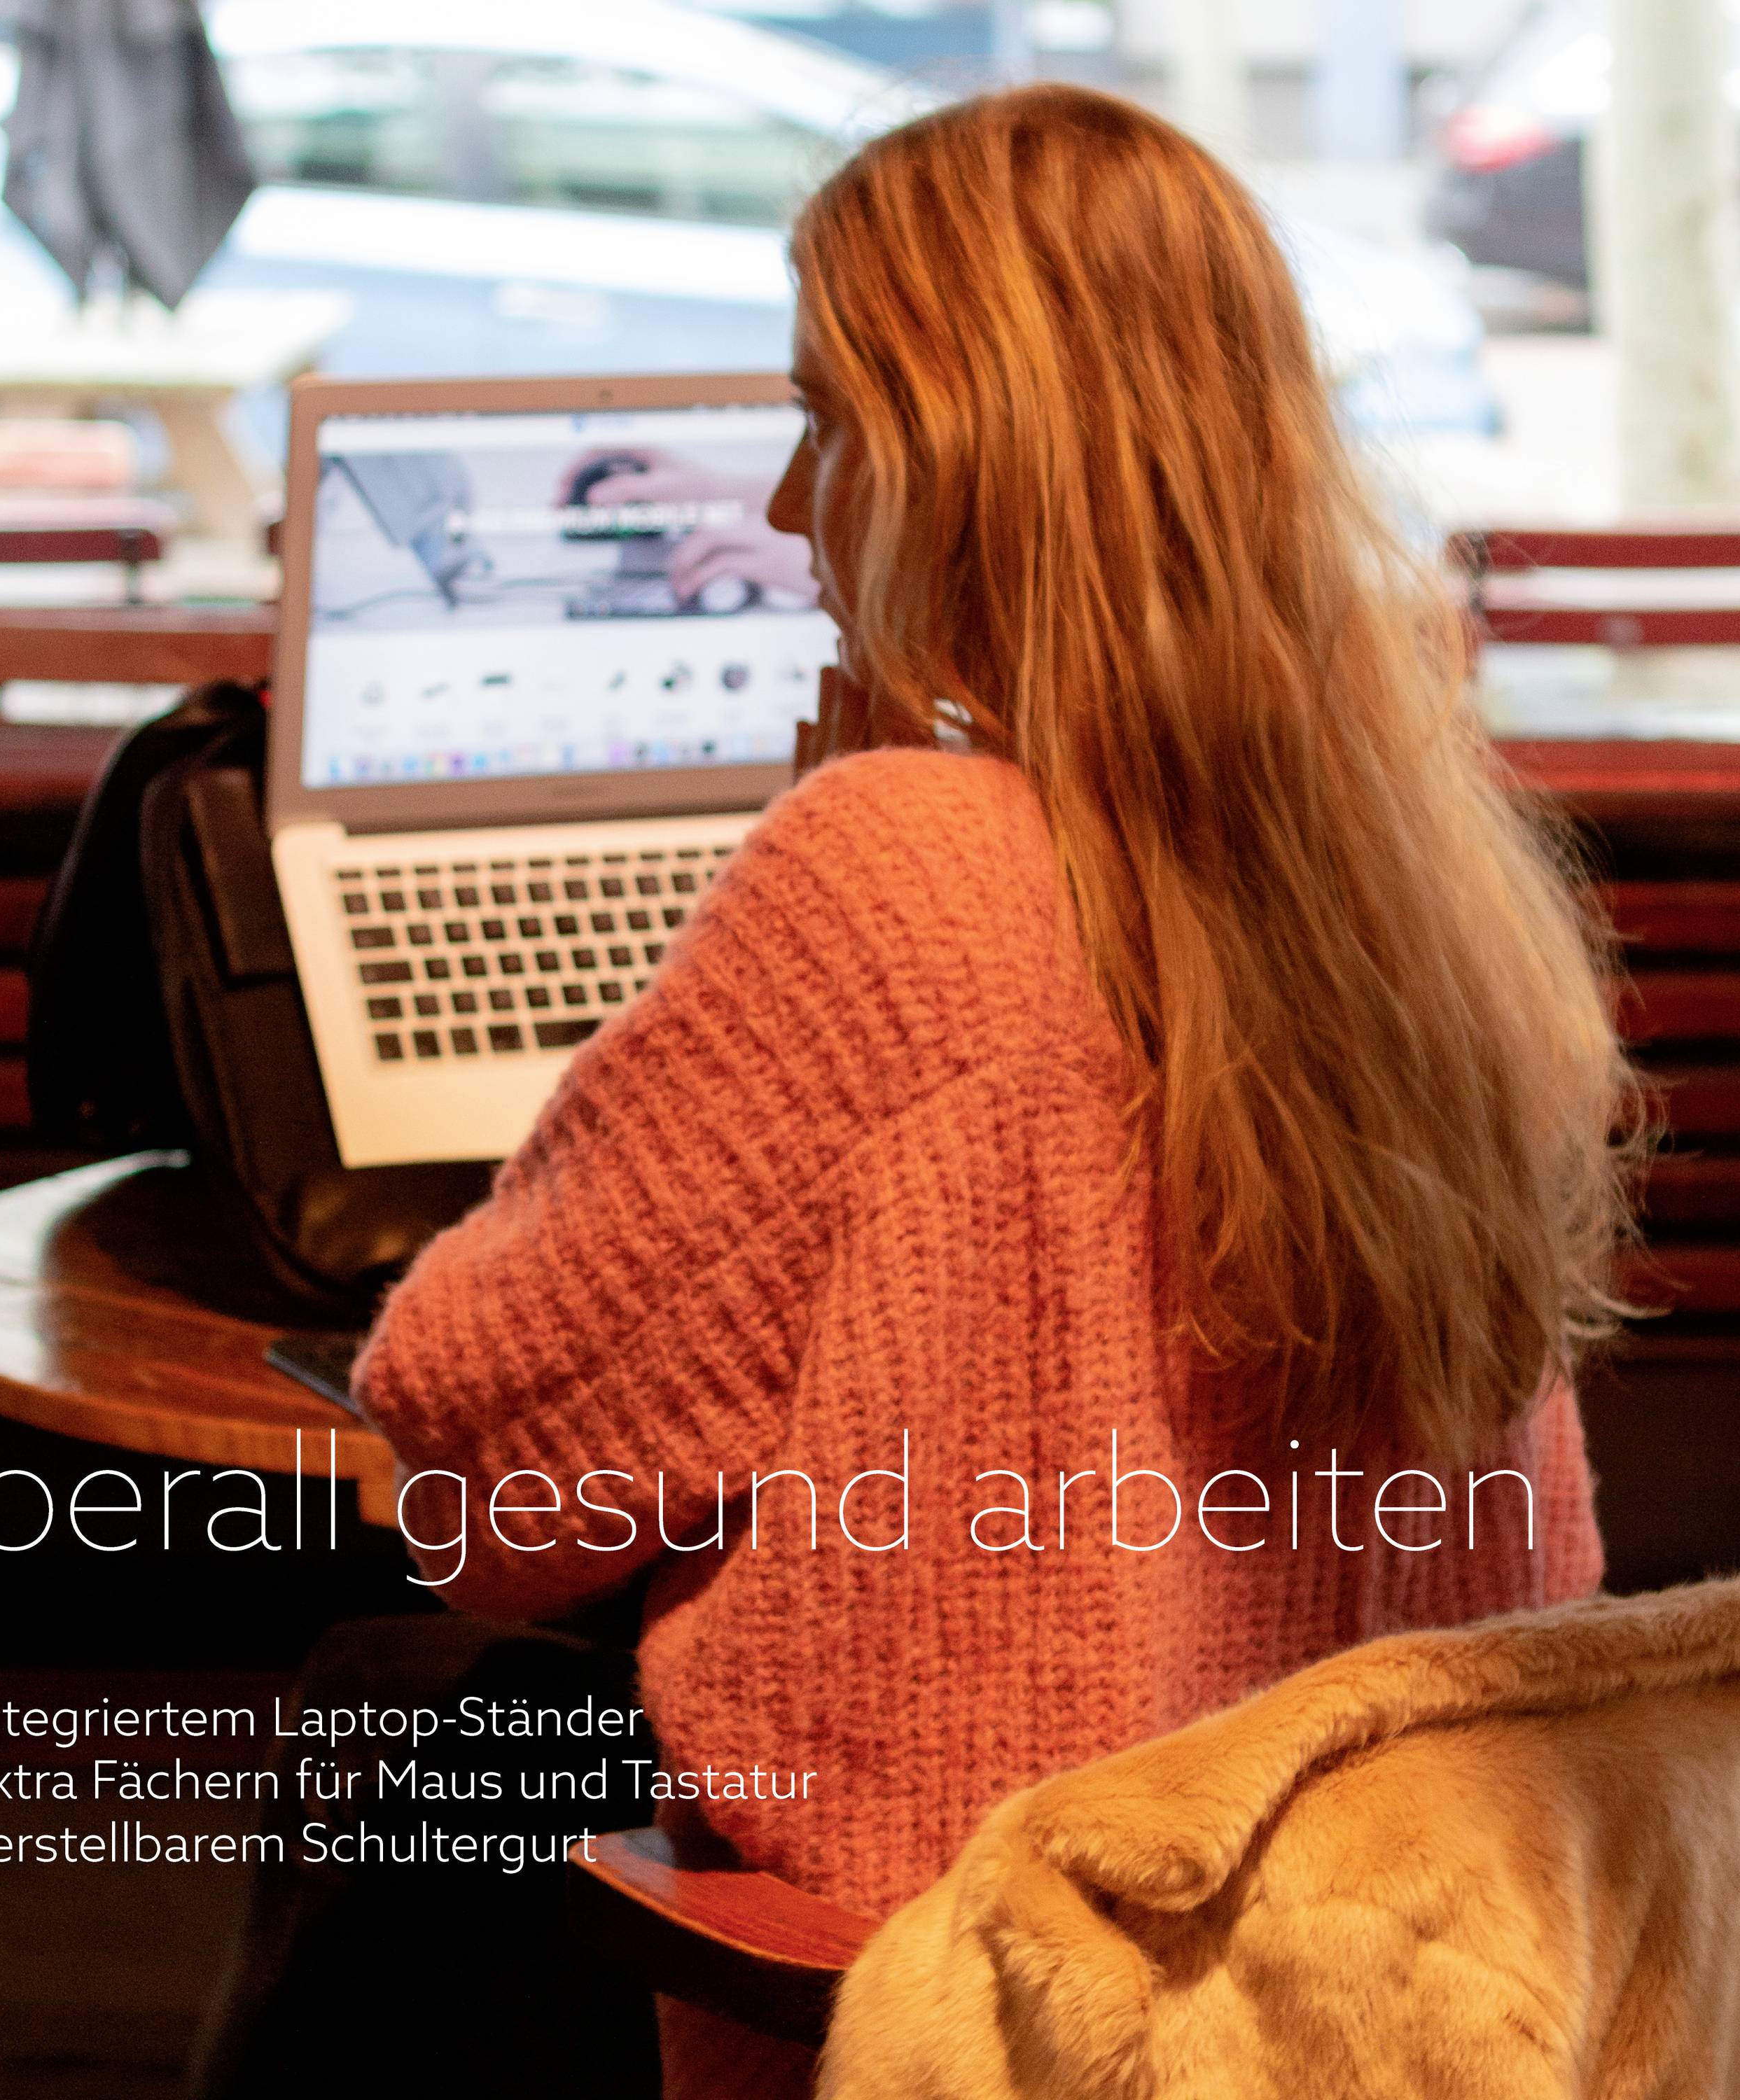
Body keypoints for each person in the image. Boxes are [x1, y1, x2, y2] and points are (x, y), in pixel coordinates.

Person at [345, 84, 1641, 2099]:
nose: (786, 509)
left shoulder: (890, 878)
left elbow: (476, 1464)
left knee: (399, 1735)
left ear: (957, 460)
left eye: (822, 421)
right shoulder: (1438, 900)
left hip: (960, 2014)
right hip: (1362, 2026)